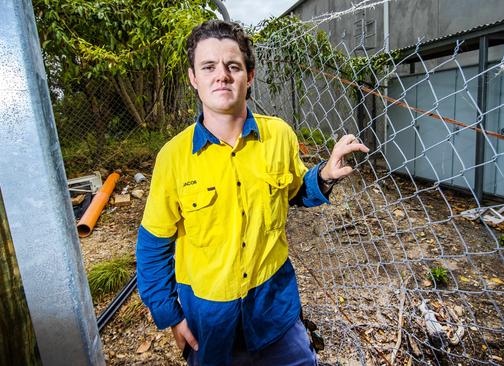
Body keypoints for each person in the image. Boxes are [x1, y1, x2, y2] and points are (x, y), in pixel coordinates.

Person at [136, 19, 369, 366]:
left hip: (274, 308)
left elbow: (294, 191)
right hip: (209, 318)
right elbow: (153, 246)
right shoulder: (173, 157)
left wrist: (324, 175)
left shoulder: (279, 136)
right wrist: (169, 315)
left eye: (233, 66)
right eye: (209, 66)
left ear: (250, 75)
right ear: (193, 79)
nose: (222, 75)